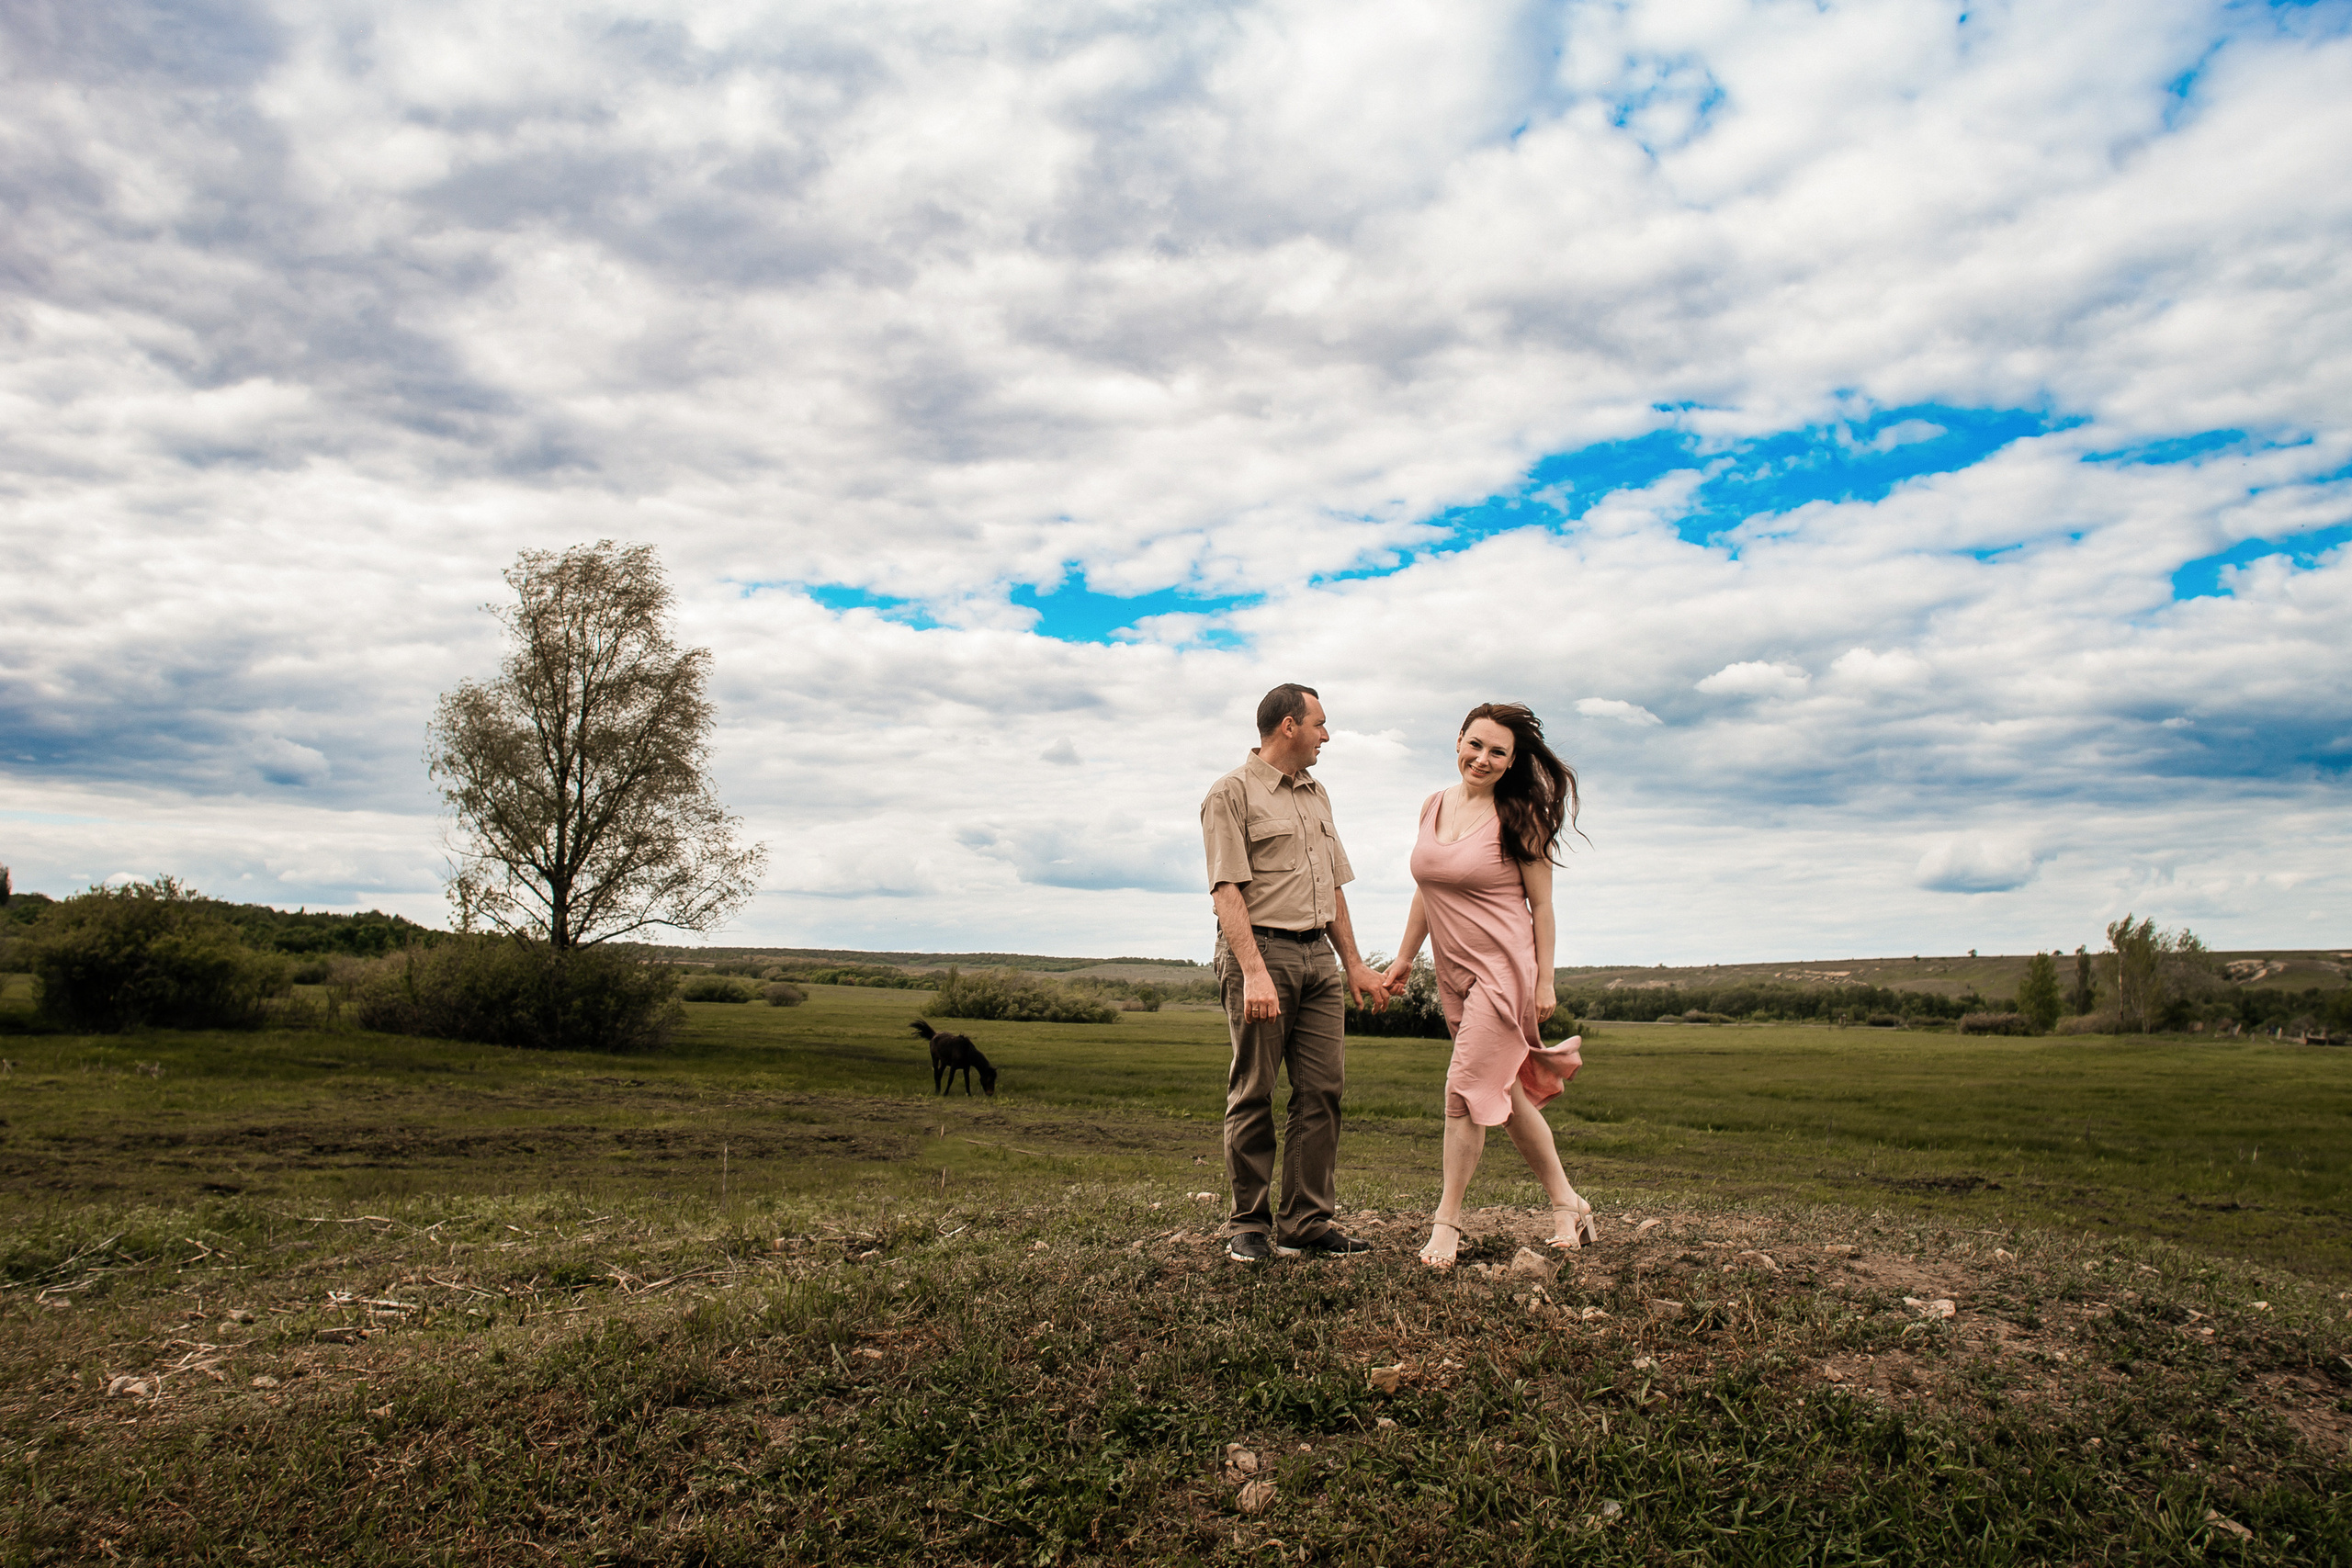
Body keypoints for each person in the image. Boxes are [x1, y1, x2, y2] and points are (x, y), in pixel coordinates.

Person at [1379, 702, 1593, 1268]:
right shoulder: (1433, 806)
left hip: (1505, 974)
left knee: (1463, 1092)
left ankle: (1446, 1223)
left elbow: (1542, 907)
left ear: (1512, 760)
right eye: (1475, 744)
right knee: (1502, 1094)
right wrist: (1405, 957)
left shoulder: (1520, 814)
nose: (1483, 758)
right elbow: (1430, 886)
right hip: (1455, 974)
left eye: (1498, 751)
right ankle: (1568, 1203)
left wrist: (1544, 981)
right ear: (1458, 741)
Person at [1201, 682, 1386, 1262]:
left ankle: (1306, 1222)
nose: (1326, 735)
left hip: (1319, 960)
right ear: (1288, 726)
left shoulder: (1316, 792)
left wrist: (1353, 962)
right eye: (1320, 724)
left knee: (1322, 1090)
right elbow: (1226, 890)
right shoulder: (1229, 793)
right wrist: (1253, 971)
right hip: (1262, 954)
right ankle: (1249, 1225)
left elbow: (1331, 885)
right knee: (1254, 1090)